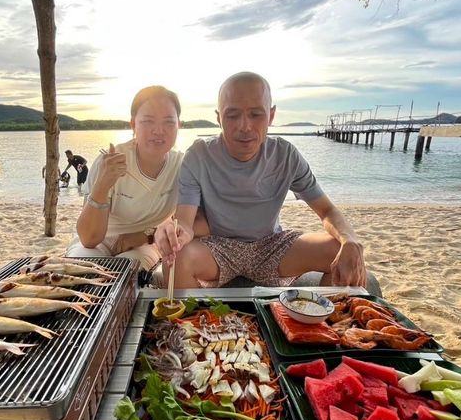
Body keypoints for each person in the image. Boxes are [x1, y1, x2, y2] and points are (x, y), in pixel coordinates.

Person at [156, 71, 367, 289]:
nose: (245, 126)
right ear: (219, 118)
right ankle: (193, 323)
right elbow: (185, 222)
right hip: (218, 246)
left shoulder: (285, 155)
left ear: (272, 115)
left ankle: (324, 320)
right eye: (232, 115)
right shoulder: (199, 155)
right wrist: (174, 232)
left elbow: (327, 210)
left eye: (256, 114)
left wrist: (349, 239)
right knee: (176, 259)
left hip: (272, 245)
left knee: (338, 249)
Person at [66, 86, 186, 276]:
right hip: (99, 240)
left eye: (168, 122)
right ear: (133, 124)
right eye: (148, 121)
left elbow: (189, 222)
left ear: (179, 125)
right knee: (83, 272)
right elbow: (89, 238)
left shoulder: (182, 166)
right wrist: (103, 184)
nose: (159, 130)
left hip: (145, 244)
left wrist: (144, 235)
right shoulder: (112, 160)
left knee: (128, 275)